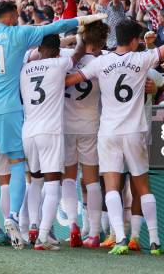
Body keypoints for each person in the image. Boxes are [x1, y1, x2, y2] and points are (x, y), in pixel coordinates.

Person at [0, 0, 105, 249]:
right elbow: (56, 26)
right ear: (13, 15)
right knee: (16, 164)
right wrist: (83, 20)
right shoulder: (22, 33)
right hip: (10, 111)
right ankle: (13, 216)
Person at [66, 18, 164, 255]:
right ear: (134, 40)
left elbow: (72, 80)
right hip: (135, 130)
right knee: (142, 185)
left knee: (111, 187)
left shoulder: (101, 62)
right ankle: (156, 240)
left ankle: (119, 238)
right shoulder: (142, 59)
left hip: (108, 132)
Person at [20, 33, 85, 250]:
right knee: (52, 183)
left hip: (28, 131)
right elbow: (78, 55)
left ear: (39, 48)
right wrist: (81, 37)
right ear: (57, 51)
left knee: (35, 181)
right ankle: (43, 237)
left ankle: (33, 227)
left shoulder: (25, 69)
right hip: (50, 131)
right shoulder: (59, 64)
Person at [60, 21, 109, 248]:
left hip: (66, 125)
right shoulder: (104, 61)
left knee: (69, 178)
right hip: (91, 125)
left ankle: (73, 225)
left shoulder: (66, 57)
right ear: (101, 41)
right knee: (91, 181)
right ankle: (95, 233)